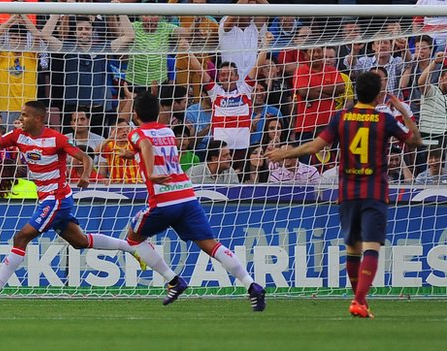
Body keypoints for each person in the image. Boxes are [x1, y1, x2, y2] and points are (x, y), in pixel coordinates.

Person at [0, 101, 148, 303]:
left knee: (21, 237)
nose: (20, 119)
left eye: (25, 115)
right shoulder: (19, 136)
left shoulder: (56, 139)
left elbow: (86, 157)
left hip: (56, 199)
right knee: (80, 242)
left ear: (38, 118)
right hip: (48, 199)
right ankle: (130, 247)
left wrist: (85, 175)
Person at [266, 72, 423, 318]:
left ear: (356, 92)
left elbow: (314, 147)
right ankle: (359, 300)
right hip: (374, 191)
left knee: (352, 248)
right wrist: (404, 113)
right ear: (377, 94)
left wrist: (284, 154)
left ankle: (359, 301)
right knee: (371, 246)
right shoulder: (384, 120)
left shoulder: (340, 118)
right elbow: (415, 141)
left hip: (347, 192)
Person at [119, 92, 266, 310]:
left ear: (135, 114)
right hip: (187, 196)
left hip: (163, 199)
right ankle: (251, 285)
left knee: (133, 239)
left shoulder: (136, 134)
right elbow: (147, 148)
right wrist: (129, 154)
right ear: (158, 112)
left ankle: (174, 281)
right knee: (211, 245)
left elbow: (147, 146)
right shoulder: (168, 131)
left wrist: (150, 172)